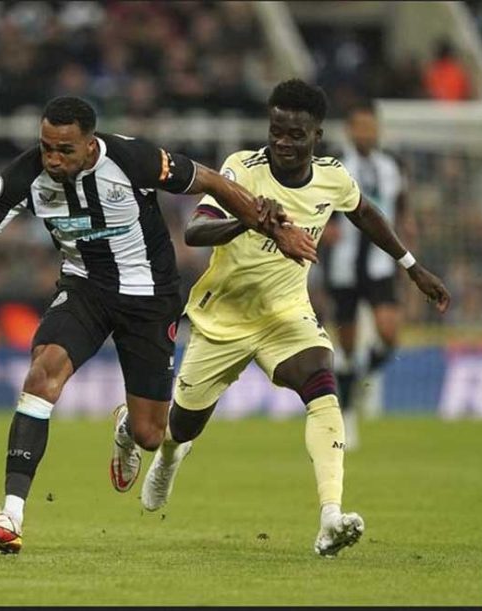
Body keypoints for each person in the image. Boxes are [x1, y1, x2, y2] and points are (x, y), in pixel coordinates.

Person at [0, 96, 317, 554]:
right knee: (41, 375)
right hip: (85, 291)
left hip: (150, 297)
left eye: (64, 150)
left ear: (91, 145)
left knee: (152, 435)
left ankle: (128, 428)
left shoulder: (133, 159)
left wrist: (277, 230)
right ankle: (11, 513)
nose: (52, 158)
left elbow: (211, 181)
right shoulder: (23, 176)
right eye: (46, 146)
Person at [138, 79, 450, 557]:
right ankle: (169, 458)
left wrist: (413, 267)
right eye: (276, 131)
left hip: (285, 314)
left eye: (295, 134)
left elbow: (366, 213)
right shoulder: (241, 169)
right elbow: (196, 231)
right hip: (223, 317)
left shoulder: (333, 177)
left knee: (321, 381)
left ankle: (330, 516)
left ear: (316, 137)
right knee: (181, 425)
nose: (282, 142)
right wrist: (250, 217)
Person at [322, 102, 417, 449]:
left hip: (379, 263)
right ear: (350, 129)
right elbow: (317, 200)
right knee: (345, 346)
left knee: (389, 333)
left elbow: (401, 203)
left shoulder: (391, 165)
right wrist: (326, 229)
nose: (367, 133)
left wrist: (407, 223)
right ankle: (346, 413)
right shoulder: (333, 163)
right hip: (343, 263)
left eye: (371, 126)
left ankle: (356, 380)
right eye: (360, 126)